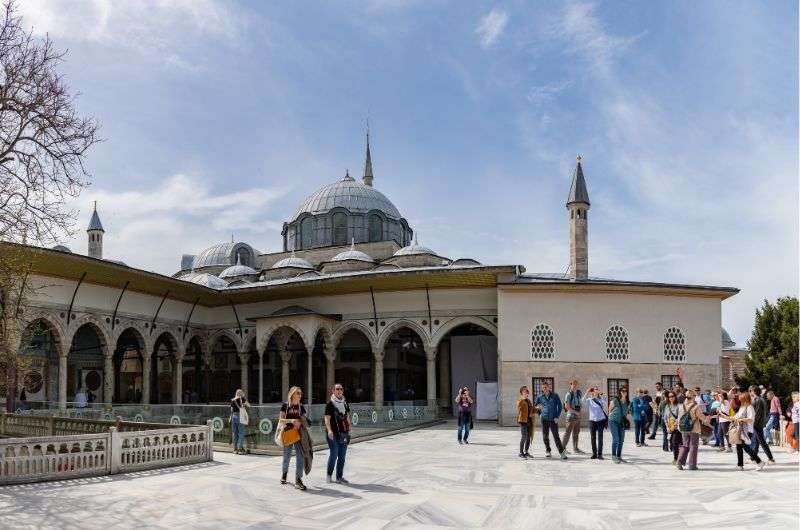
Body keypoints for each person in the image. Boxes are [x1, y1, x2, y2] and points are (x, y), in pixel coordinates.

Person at [279, 386, 308, 490]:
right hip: (288, 434)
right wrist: (291, 421)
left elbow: (305, 421)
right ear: (292, 394)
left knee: (300, 457)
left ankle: (298, 480)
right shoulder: (285, 406)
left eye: (300, 393)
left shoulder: (301, 407)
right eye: (298, 393)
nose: (300, 395)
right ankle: (284, 474)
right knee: (287, 456)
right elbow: (281, 420)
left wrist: (302, 422)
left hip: (299, 435)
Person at [675, 389, 711, 470]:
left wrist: (679, 428)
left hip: (683, 429)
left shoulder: (681, 406)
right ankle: (692, 465)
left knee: (685, 445)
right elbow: (702, 418)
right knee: (693, 446)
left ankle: (679, 462)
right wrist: (708, 418)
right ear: (693, 397)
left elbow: (679, 418)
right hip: (694, 429)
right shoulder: (695, 406)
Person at [324, 383, 351, 484]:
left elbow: (347, 415)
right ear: (333, 391)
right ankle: (329, 475)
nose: (339, 390)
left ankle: (339, 477)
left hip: (343, 433)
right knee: (334, 454)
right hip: (333, 433)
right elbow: (327, 419)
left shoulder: (345, 403)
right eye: (337, 389)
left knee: (342, 456)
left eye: (341, 389)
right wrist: (329, 430)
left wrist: (349, 426)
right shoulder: (330, 404)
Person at [732, 391, 765, 471]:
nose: (739, 400)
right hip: (740, 430)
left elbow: (750, 419)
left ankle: (759, 461)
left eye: (741, 398)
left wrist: (741, 419)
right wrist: (723, 416)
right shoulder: (742, 407)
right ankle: (740, 465)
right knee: (739, 447)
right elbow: (735, 417)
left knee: (745, 447)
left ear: (745, 399)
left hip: (747, 431)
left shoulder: (750, 407)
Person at [535, 381, 567, 460]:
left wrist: (557, 416)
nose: (544, 389)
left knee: (556, 436)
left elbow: (559, 406)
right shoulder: (539, 397)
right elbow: (536, 406)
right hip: (544, 419)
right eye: (543, 388)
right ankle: (548, 451)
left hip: (553, 419)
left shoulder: (555, 396)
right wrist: (540, 414)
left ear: (549, 387)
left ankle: (562, 453)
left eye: (546, 387)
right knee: (545, 436)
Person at [748, 386, 775, 464]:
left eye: (751, 391)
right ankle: (753, 458)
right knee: (756, 441)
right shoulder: (759, 399)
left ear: (753, 391)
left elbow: (757, 414)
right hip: (758, 423)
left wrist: (752, 423)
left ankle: (771, 458)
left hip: (757, 424)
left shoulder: (759, 400)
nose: (750, 392)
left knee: (762, 441)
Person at [607, 386, 630, 463]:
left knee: (621, 440)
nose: (624, 392)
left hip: (621, 423)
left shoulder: (627, 402)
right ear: (620, 392)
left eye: (625, 391)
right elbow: (609, 410)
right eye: (623, 391)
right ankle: (613, 456)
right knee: (616, 438)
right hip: (613, 421)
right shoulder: (615, 400)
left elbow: (626, 412)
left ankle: (618, 456)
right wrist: (613, 417)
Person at [561, 379, 584, 454]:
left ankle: (575, 448)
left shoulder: (578, 394)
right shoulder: (568, 394)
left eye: (575, 384)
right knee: (567, 433)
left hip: (577, 416)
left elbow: (580, 403)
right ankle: (562, 449)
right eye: (573, 384)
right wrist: (575, 412)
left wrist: (579, 411)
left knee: (576, 433)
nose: (574, 386)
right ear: (570, 385)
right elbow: (567, 407)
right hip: (570, 416)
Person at [584, 386, 607, 460]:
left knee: (600, 438)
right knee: (593, 438)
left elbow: (605, 403)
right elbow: (582, 401)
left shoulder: (601, 399)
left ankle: (600, 454)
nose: (596, 390)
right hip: (592, 420)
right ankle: (594, 453)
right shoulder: (590, 400)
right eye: (595, 389)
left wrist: (601, 395)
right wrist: (587, 392)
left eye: (597, 389)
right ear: (593, 391)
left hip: (600, 420)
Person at [664, 391, 682, 464]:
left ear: (675, 397)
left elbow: (679, 417)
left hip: (677, 428)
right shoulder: (667, 406)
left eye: (672, 396)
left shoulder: (678, 406)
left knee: (675, 443)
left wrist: (674, 426)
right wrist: (667, 427)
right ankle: (678, 457)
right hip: (669, 426)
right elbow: (665, 418)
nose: (671, 398)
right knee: (672, 443)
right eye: (669, 396)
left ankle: (676, 459)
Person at [230, 389, 250, 455]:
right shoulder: (242, 399)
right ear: (241, 393)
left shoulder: (233, 400)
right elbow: (249, 405)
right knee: (241, 433)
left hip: (233, 417)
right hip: (240, 417)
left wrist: (230, 418)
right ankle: (240, 448)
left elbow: (231, 410)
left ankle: (235, 449)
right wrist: (244, 404)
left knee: (235, 433)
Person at [516, 386, 534, 458]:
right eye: (524, 391)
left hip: (529, 421)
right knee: (524, 436)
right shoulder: (520, 401)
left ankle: (526, 452)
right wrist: (523, 398)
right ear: (521, 393)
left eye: (526, 391)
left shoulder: (529, 401)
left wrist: (538, 409)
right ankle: (521, 452)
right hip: (523, 421)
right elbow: (519, 406)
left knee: (528, 437)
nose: (526, 392)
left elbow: (532, 409)